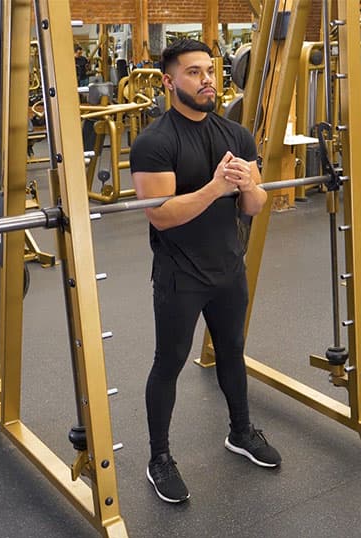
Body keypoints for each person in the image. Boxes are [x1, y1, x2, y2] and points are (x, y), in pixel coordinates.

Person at [129, 38, 279, 504]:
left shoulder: (237, 135)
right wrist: (215, 187)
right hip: (181, 274)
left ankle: (241, 432)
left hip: (228, 267)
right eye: (194, 73)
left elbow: (255, 205)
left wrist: (248, 185)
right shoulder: (155, 143)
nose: (207, 80)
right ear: (169, 82)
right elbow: (162, 215)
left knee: (232, 351)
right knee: (169, 363)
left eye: (209, 71)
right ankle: (159, 458)